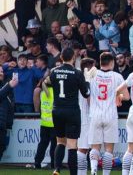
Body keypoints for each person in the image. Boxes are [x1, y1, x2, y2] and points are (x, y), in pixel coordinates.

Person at [49, 47, 91, 175]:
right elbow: (86, 93)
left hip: (57, 110)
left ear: (61, 57)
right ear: (73, 57)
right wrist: (87, 80)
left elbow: (47, 85)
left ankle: (56, 169)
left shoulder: (53, 71)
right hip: (72, 111)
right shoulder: (77, 73)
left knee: (60, 141)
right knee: (72, 144)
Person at [88, 52, 125, 175]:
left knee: (95, 147)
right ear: (112, 62)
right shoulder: (117, 76)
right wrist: (118, 96)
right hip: (110, 114)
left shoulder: (92, 73)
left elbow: (85, 91)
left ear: (100, 62)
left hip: (95, 114)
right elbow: (126, 96)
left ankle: (93, 170)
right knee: (109, 149)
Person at [33, 77, 56, 169]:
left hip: (44, 123)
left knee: (42, 144)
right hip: (54, 123)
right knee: (54, 146)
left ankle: (37, 162)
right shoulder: (55, 92)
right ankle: (54, 164)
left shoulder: (42, 92)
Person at [0, 69, 18, 161]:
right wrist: (9, 85)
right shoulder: (7, 86)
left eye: (2, 71)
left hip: (4, 122)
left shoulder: (6, 86)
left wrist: (9, 123)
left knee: (2, 145)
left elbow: (10, 105)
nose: (1, 73)